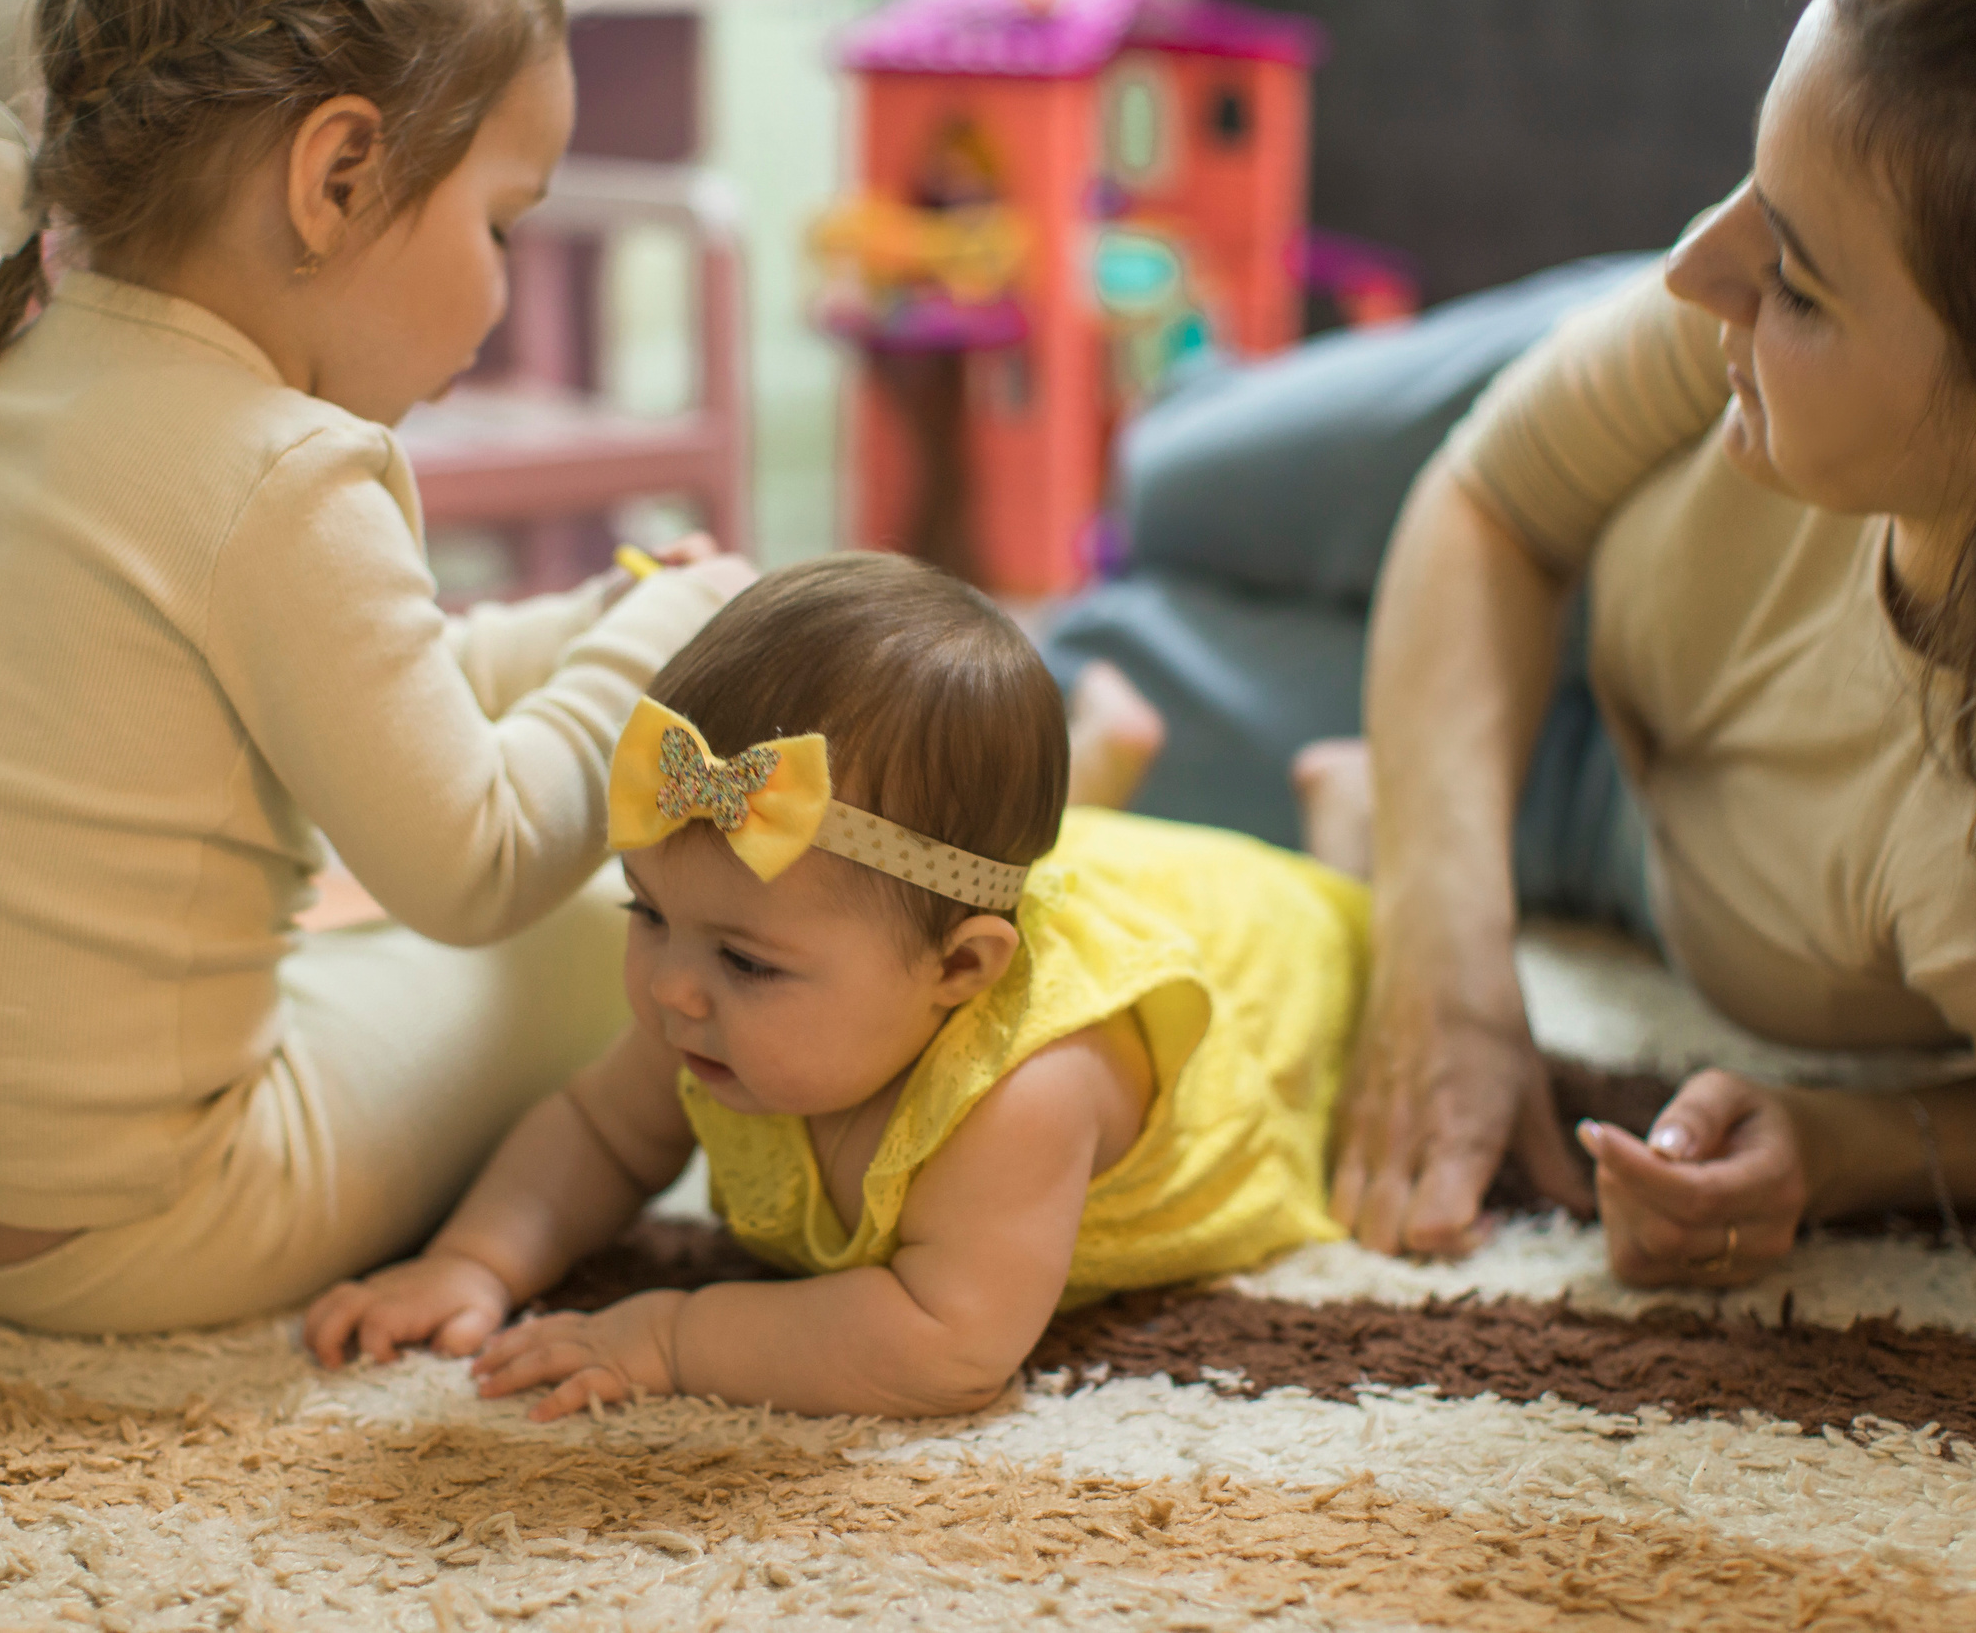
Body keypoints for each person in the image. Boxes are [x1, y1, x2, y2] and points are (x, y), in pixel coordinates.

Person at [0, 0, 753, 1335]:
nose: (506, 280)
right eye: (502, 222)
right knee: (600, 948)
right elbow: (471, 863)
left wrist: (586, 626)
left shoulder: (19, 376)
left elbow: (347, 705)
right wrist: (666, 640)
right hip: (127, 1228)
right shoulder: (286, 473)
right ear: (340, 175)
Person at [1317, 0, 1976, 1371]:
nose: (1705, 260)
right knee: (1155, 486)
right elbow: (1494, 500)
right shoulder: (1721, 301)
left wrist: (1840, 1140)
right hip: (1572, 473)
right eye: (1753, 187)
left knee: (1068, 689)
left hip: (1607, 828)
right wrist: (1442, 955)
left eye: (1802, 278)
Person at [304, 553, 1368, 1418]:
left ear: (961, 972)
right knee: (972, 861)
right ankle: (1097, 764)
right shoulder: (724, 991)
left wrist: (672, 1335)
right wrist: (474, 1262)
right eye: (648, 912)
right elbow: (598, 1131)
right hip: (963, 898)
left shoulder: (1024, 1092)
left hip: (1251, 944)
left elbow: (945, 1344)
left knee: (1354, 928)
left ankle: (1350, 821)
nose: (672, 987)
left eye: (745, 960)